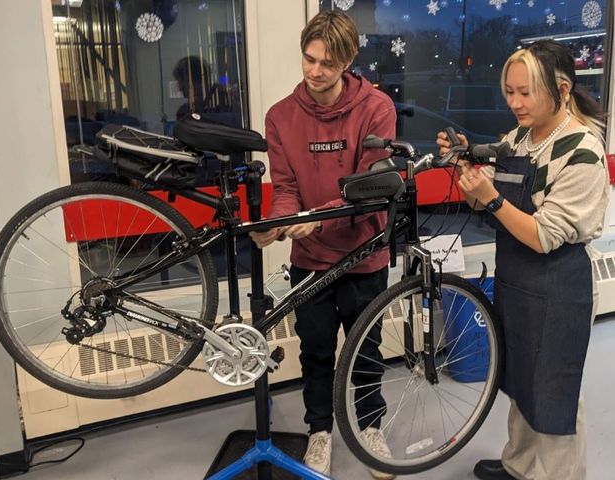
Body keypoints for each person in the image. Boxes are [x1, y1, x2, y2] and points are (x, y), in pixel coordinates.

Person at [436, 40, 609, 480]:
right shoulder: (518, 138)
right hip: (516, 280)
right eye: (509, 91)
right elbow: (491, 199)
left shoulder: (582, 151)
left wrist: (489, 198)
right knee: (520, 381)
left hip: (558, 286)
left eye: (525, 92)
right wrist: (470, 172)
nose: (514, 102)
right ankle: (519, 464)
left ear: (562, 88)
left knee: (554, 391)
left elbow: (543, 235)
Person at [250, 11, 396, 480]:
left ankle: (371, 427)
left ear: (348, 61)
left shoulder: (376, 108)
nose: (314, 71)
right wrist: (278, 222)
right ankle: (319, 432)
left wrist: (318, 217)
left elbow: (371, 183)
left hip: (364, 254)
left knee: (366, 347)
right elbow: (286, 186)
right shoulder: (281, 117)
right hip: (310, 262)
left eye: (326, 64)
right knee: (314, 350)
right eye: (309, 59)